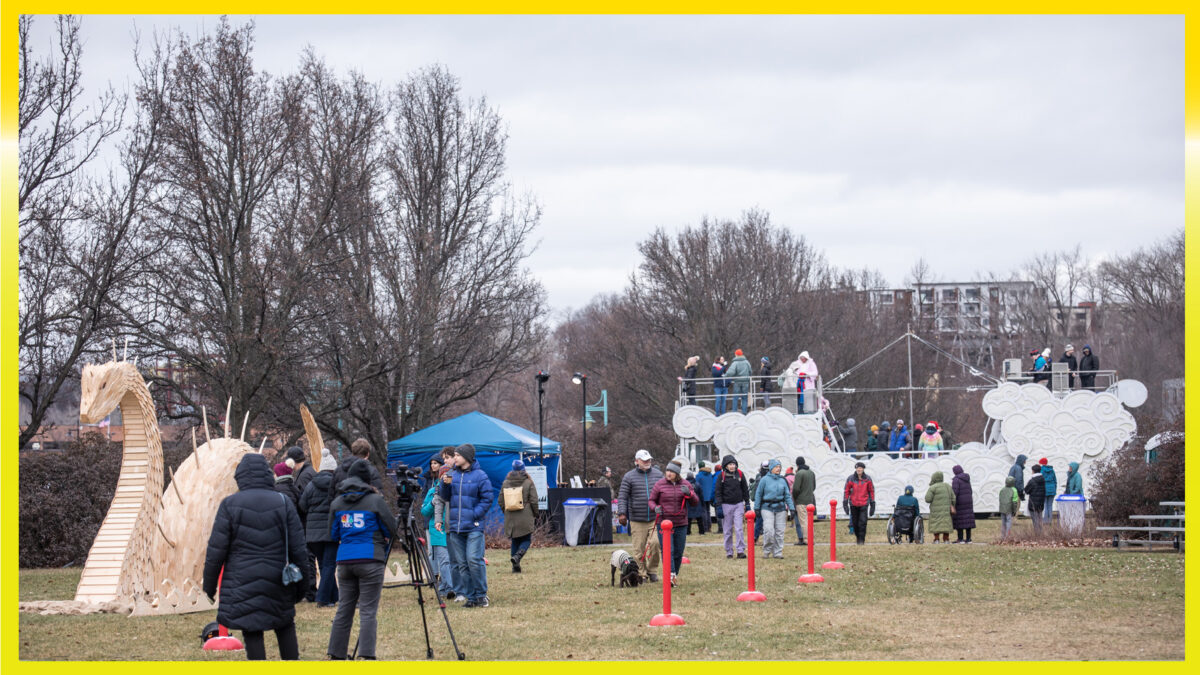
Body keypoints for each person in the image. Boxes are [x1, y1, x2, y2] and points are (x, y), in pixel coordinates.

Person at [203, 453, 308, 660]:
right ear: (267, 475)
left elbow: (216, 551)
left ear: (240, 477)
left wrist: (209, 585)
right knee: (285, 624)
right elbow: (298, 548)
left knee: (252, 629)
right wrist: (302, 587)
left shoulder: (229, 505)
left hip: (242, 580)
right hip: (278, 578)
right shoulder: (283, 502)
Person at [327, 460, 394, 659]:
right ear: (367, 480)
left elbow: (332, 533)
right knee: (367, 610)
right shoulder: (375, 501)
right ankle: (366, 655)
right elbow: (390, 527)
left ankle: (336, 653)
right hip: (370, 558)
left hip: (345, 560)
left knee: (344, 609)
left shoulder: (337, 502)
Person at [439, 443, 494, 608]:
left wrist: (474, 514)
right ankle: (471, 597)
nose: (454, 458)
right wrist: (444, 485)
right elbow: (445, 497)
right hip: (456, 527)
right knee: (462, 564)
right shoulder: (451, 475)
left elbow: (487, 498)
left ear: (467, 457)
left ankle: (481, 595)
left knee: (474, 560)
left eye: (457, 455)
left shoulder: (480, 476)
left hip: (474, 526)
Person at [298, 448, 340, 607]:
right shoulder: (337, 486)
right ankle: (322, 598)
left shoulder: (310, 485)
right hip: (331, 531)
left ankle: (333, 597)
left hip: (313, 534)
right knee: (329, 565)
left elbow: (302, 505)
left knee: (324, 564)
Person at [648, 459, 699, 586]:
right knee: (667, 550)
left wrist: (690, 494)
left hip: (681, 523)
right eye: (667, 471)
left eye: (671, 471)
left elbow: (695, 502)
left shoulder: (686, 484)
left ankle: (673, 574)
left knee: (678, 552)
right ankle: (670, 576)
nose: (668, 473)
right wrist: (655, 508)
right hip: (664, 523)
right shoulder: (659, 484)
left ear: (677, 473)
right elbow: (651, 500)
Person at [617, 449, 664, 581]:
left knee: (656, 544)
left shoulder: (658, 475)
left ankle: (652, 570)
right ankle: (641, 573)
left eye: (649, 460)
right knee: (639, 549)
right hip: (637, 519)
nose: (647, 462)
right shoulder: (629, 476)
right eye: (644, 460)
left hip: (655, 518)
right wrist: (622, 513)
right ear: (637, 461)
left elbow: (664, 493)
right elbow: (622, 497)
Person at [419, 464, 456, 599]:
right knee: (445, 561)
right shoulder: (432, 492)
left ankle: (443, 588)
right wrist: (433, 503)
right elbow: (424, 511)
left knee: (452, 561)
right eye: (443, 476)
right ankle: (450, 588)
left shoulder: (455, 491)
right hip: (437, 531)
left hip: (451, 530)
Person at [499, 459, 539, 573]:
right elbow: (534, 501)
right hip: (525, 515)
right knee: (526, 539)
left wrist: (506, 512)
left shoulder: (505, 483)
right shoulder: (528, 482)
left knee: (515, 541)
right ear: (524, 469)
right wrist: (535, 514)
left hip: (510, 516)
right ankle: (517, 557)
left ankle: (514, 567)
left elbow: (500, 501)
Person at [754, 459, 795, 559]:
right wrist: (757, 507)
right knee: (769, 530)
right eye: (776, 467)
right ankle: (767, 550)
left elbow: (787, 495)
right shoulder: (764, 480)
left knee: (779, 532)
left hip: (780, 508)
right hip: (767, 507)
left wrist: (792, 508)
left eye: (779, 467)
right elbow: (758, 494)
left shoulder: (782, 480)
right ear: (771, 468)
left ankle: (777, 552)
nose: (778, 469)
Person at [713, 454, 751, 559]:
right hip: (726, 505)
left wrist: (747, 503)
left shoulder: (740, 474)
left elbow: (745, 489)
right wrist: (719, 506)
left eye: (733, 464)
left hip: (738, 504)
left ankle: (740, 551)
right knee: (727, 530)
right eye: (730, 464)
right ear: (725, 466)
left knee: (739, 529)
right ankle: (729, 551)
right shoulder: (721, 476)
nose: (732, 466)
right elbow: (718, 491)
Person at [842, 461, 875, 545]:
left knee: (863, 523)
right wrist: (845, 503)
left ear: (863, 469)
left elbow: (871, 491)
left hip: (864, 504)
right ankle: (858, 537)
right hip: (853, 504)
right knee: (855, 523)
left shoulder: (867, 479)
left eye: (860, 468)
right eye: (857, 468)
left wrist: (872, 504)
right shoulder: (850, 479)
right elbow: (846, 491)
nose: (859, 469)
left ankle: (861, 540)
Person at [924, 470, 954, 543]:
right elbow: (953, 498)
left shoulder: (932, 487)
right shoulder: (948, 486)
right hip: (946, 510)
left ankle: (936, 539)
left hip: (935, 511)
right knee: (946, 524)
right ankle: (946, 539)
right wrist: (952, 505)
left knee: (935, 523)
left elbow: (928, 499)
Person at [792, 457, 815, 545]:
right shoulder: (811, 472)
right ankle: (812, 538)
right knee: (810, 521)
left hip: (801, 501)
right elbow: (814, 486)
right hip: (810, 500)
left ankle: (806, 539)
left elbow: (796, 488)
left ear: (797, 464)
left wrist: (795, 497)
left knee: (804, 522)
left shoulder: (799, 473)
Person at [950, 465, 976, 543]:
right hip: (968, 502)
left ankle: (960, 539)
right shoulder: (967, 479)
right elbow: (970, 491)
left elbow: (955, 492)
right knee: (968, 520)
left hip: (960, 503)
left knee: (959, 520)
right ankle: (968, 539)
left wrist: (952, 502)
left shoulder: (956, 480)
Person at [726, 349, 753, 413]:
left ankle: (734, 412)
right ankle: (744, 412)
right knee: (744, 398)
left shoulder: (735, 363)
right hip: (745, 381)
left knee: (735, 397)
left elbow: (730, 372)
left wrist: (725, 376)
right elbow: (750, 371)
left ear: (736, 355)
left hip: (737, 382)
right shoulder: (747, 362)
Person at [696, 461, 718, 533]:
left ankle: (705, 527)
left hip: (702, 496)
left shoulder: (698, 475)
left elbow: (696, 486)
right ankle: (709, 527)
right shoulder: (710, 474)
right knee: (708, 511)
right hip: (709, 495)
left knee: (703, 511)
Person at [1024, 464, 1046, 534]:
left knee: (1035, 520)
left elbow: (1026, 491)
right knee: (1039, 519)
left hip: (1033, 503)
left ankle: (1037, 535)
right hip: (1041, 502)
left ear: (1033, 471)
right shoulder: (1043, 479)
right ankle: (1041, 533)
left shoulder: (1032, 481)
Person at [752, 460, 769, 542]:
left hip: (762, 503)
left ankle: (756, 538)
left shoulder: (758, 477)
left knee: (760, 522)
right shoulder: (761, 478)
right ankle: (755, 538)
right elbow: (758, 493)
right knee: (760, 522)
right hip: (763, 503)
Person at [1039, 458, 1057, 523]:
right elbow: (1055, 481)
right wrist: (1055, 489)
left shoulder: (1041, 470)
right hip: (1052, 489)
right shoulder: (1052, 470)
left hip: (1045, 489)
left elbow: (1040, 481)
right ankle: (1050, 520)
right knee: (1050, 505)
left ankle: (1045, 521)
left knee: (1045, 505)